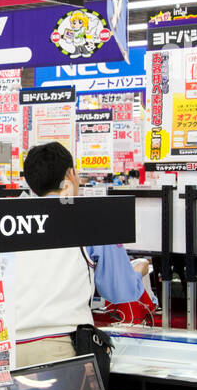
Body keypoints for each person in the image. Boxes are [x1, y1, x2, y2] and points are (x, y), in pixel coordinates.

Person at [8, 142, 153, 373]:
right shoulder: (91, 219)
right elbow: (120, 291)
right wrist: (140, 270)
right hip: (60, 346)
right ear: (70, 174)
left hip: (6, 349)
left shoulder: (7, 221)